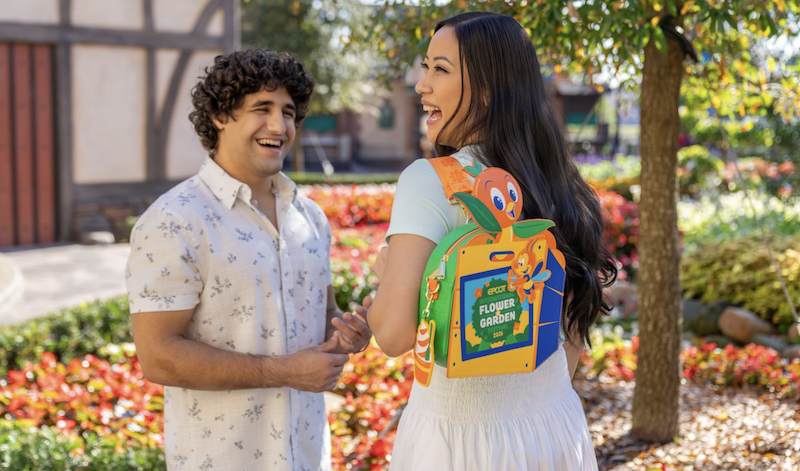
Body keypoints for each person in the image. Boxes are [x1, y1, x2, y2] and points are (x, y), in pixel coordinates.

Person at [364, 12, 617, 471]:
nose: (421, 85)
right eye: (426, 67)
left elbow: (394, 335)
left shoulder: (430, 181)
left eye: (440, 69)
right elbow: (570, 343)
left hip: (460, 441)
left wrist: (387, 279)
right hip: (554, 428)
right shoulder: (558, 184)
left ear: (487, 90)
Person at [126, 49, 371, 471]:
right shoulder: (174, 219)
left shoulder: (310, 217)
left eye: (288, 113)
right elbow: (158, 355)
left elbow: (325, 313)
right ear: (220, 115)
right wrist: (283, 372)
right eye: (262, 108)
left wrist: (348, 333)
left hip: (309, 457)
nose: (279, 126)